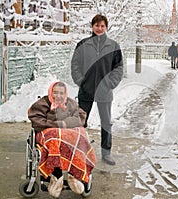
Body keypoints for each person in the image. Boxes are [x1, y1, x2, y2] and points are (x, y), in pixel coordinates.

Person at [28, 81, 96, 198]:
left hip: (67, 134)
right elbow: (36, 119)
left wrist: (63, 124)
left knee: (79, 136)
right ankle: (57, 176)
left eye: (61, 93)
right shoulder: (43, 103)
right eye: (55, 93)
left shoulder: (70, 103)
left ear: (65, 94)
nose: (58, 96)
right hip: (48, 134)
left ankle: (73, 175)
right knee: (54, 138)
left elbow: (81, 117)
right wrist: (53, 125)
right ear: (50, 92)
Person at [71, 14, 123, 166]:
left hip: (104, 91)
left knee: (106, 123)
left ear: (106, 27)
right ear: (92, 27)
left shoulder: (113, 46)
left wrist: (110, 83)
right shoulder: (83, 44)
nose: (99, 28)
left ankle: (106, 153)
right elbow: (75, 65)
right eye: (96, 25)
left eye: (102, 26)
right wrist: (81, 81)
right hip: (86, 91)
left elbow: (118, 67)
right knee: (80, 123)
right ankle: (79, 151)